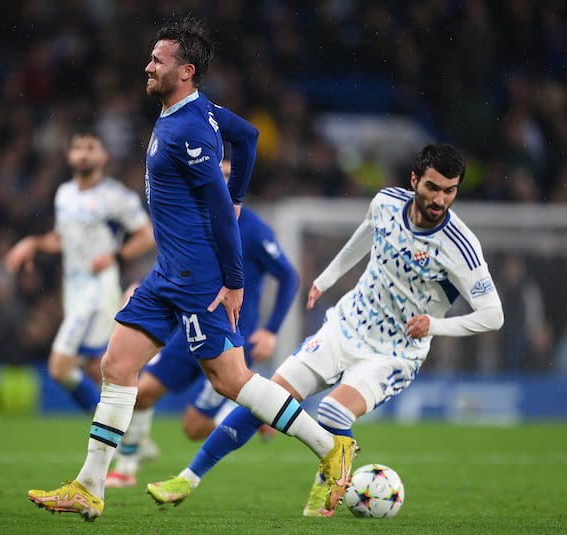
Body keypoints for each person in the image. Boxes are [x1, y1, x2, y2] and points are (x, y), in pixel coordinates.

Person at [27, 15, 356, 522]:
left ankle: (328, 446)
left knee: (232, 382)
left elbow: (221, 209)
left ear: (185, 72)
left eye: (158, 60)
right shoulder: (202, 112)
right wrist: (241, 194)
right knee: (117, 365)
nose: (148, 66)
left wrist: (234, 279)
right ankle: (90, 486)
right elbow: (246, 137)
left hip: (195, 280)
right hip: (166, 273)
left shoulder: (188, 131)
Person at [146, 143, 504, 517]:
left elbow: (493, 315)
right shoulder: (385, 203)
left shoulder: (461, 247)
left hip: (393, 353)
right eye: (433, 187)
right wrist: (328, 277)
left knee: (333, 413)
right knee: (266, 399)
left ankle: (323, 490)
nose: (440, 199)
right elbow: (366, 235)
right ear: (415, 180)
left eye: (450, 191)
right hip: (346, 326)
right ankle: (187, 479)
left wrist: (436, 325)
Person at [105, 159, 300, 488]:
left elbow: (289, 275)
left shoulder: (252, 229)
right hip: (189, 329)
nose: (221, 182)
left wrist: (271, 330)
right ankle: (126, 467)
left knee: (193, 428)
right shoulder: (190, 220)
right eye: (216, 175)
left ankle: (256, 416)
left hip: (231, 339)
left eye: (228, 176)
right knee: (142, 394)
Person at [4, 128, 155, 412]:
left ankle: (112, 427)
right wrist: (33, 244)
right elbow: (63, 240)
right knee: (95, 369)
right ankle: (129, 424)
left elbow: (147, 235)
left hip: (98, 291)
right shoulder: (64, 195)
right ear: (69, 155)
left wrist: (116, 257)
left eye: (91, 148)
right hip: (73, 291)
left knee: (60, 366)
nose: (84, 154)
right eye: (78, 148)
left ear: (103, 156)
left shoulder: (115, 196)